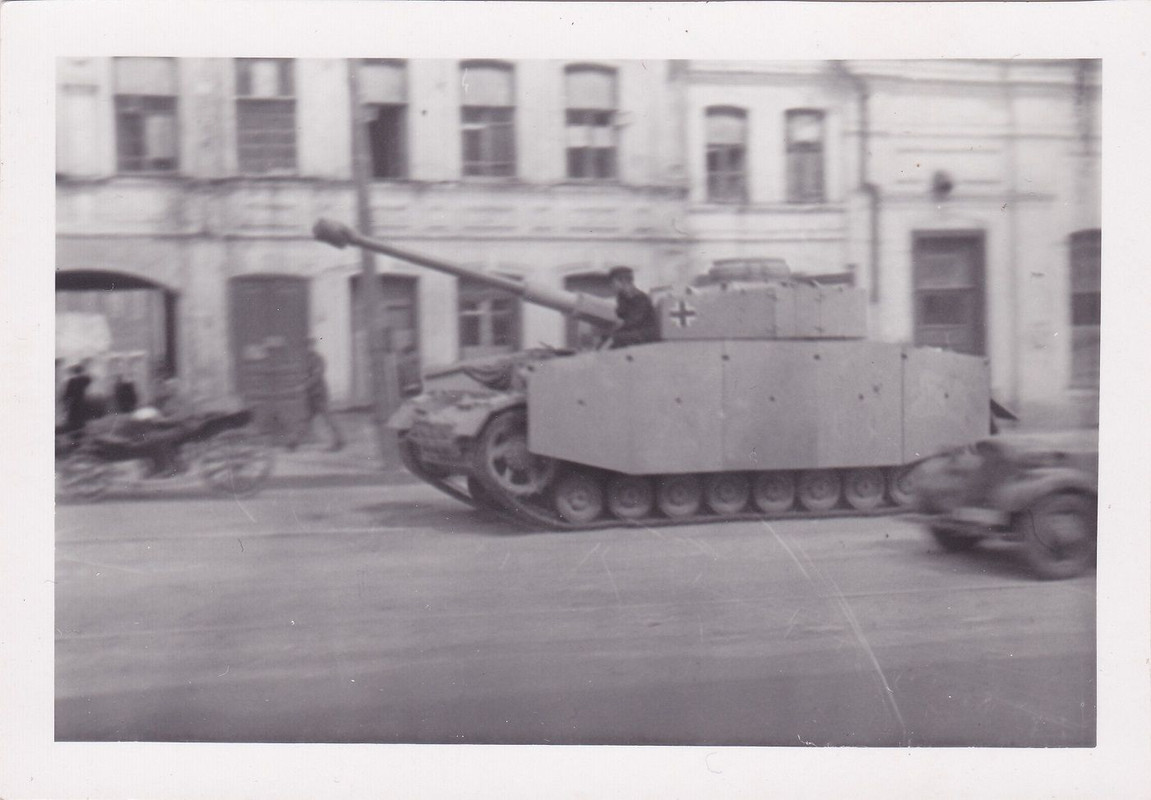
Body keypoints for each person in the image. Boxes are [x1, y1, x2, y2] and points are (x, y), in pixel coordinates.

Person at [305, 338, 344, 451]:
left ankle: (339, 440)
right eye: (307, 346)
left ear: (314, 346)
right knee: (308, 418)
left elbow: (317, 376)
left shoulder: (318, 359)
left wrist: (306, 385)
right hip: (312, 394)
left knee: (327, 418)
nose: (309, 348)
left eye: (310, 345)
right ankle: (293, 443)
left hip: (319, 393)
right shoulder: (308, 359)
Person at [607, 265, 659, 348]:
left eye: (613, 282)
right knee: (608, 336)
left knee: (617, 338)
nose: (611, 285)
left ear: (623, 281)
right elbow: (620, 314)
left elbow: (634, 320)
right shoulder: (623, 297)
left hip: (646, 333)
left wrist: (618, 326)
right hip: (634, 331)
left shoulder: (640, 297)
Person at [61, 361, 94, 434]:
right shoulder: (82, 380)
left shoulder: (72, 381)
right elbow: (89, 379)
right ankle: (79, 430)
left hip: (74, 402)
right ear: (80, 372)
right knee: (80, 417)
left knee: (74, 417)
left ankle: (75, 431)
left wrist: (65, 402)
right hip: (81, 401)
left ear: (74, 372)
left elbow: (67, 393)